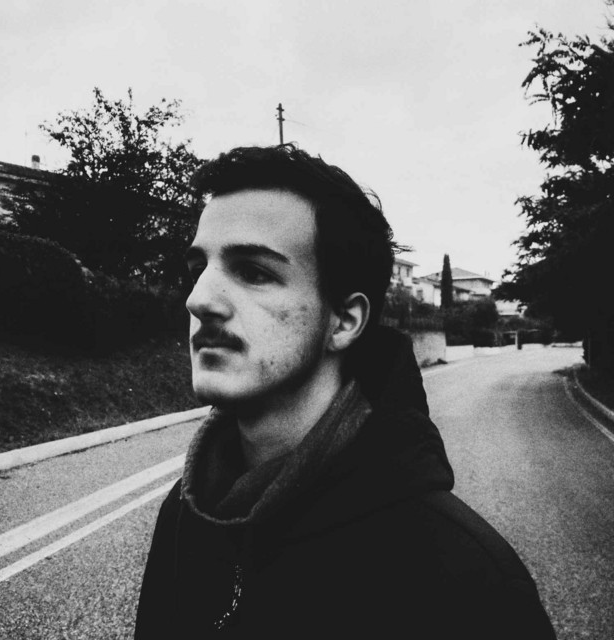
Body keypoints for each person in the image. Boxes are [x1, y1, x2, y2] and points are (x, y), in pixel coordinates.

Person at [135, 144, 556, 638]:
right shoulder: (185, 514)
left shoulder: (467, 580)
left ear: (345, 321)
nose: (199, 299)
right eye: (197, 271)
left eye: (253, 272)